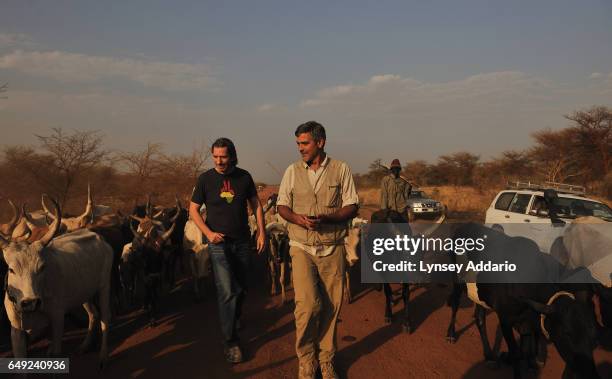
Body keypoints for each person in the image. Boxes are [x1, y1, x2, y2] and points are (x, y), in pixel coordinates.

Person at [277, 121, 359, 379]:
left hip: (332, 246)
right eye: (298, 144)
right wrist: (298, 219)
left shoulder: (341, 169)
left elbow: (352, 205)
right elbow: (281, 206)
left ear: (320, 142)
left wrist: (328, 217)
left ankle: (326, 360)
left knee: (331, 307)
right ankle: (306, 359)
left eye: (305, 143)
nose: (300, 148)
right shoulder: (292, 171)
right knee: (307, 305)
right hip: (301, 245)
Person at [189, 137, 266, 364]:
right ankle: (230, 341)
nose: (219, 161)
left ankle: (235, 316)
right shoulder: (205, 179)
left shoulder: (244, 177)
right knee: (227, 291)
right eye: (215, 157)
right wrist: (208, 233)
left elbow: (256, 205)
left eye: (223, 156)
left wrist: (262, 232)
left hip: (242, 241)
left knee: (241, 288)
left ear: (232, 155)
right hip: (218, 244)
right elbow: (193, 210)